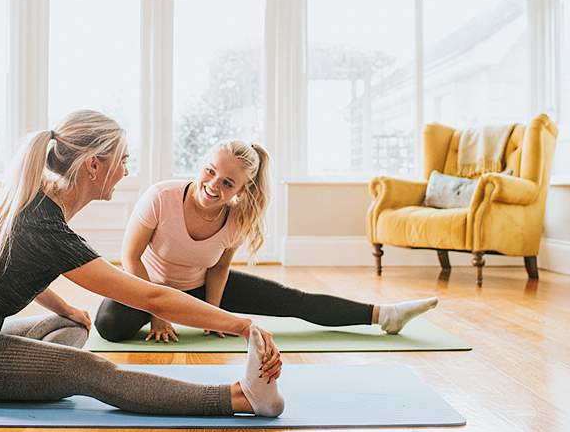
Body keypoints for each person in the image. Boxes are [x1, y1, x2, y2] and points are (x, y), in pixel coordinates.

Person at [0, 111, 284, 418]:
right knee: (91, 371)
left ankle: (29, 371)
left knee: (72, 325)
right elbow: (154, 299)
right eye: (123, 161)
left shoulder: (36, 202)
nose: (126, 172)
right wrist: (241, 324)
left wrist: (65, 307)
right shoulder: (45, 227)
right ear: (93, 167)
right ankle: (241, 398)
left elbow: (15, 269)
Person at [95, 140, 438, 343]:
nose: (214, 185)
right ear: (201, 165)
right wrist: (159, 310)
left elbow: (219, 269)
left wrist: (211, 316)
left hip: (197, 286)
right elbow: (130, 257)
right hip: (147, 285)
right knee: (109, 325)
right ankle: (160, 308)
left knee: (294, 300)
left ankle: (384, 315)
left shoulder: (238, 218)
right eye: (210, 171)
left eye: (228, 183)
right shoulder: (160, 196)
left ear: (243, 191)